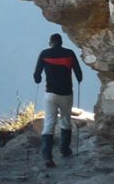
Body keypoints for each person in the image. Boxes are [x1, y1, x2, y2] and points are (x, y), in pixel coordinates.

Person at [33, 33, 83, 168]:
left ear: (51, 43)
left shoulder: (44, 53)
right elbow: (79, 74)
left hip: (50, 94)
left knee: (49, 123)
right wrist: (78, 79)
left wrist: (38, 79)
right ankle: (65, 150)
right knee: (66, 121)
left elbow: (36, 75)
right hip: (66, 94)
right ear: (61, 42)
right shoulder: (69, 53)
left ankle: (47, 157)